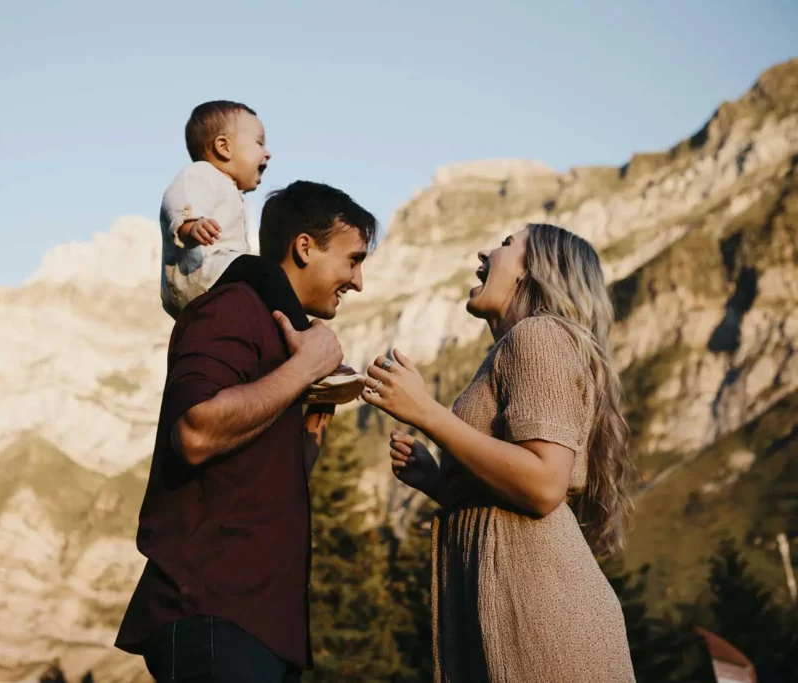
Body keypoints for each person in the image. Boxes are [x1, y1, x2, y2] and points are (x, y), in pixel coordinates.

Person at [116, 180, 379, 682]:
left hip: (263, 626)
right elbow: (194, 432)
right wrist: (304, 371)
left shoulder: (285, 344)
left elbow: (251, 478)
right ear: (304, 246)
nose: (359, 281)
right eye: (353, 260)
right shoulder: (232, 307)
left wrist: (309, 434)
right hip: (215, 615)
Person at [362, 223, 636, 682]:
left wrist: (428, 413)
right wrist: (440, 482)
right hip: (514, 606)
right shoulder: (515, 348)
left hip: (545, 620)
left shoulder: (540, 336)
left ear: (532, 271)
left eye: (507, 245)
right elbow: (513, 492)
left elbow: (545, 484)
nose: (484, 250)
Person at [159, 100, 361, 403]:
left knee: (261, 294)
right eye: (259, 142)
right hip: (203, 272)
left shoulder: (230, 191)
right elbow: (176, 202)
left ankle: (288, 367)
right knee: (267, 273)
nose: (267, 153)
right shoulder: (200, 174)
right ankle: (306, 344)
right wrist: (191, 225)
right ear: (223, 147)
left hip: (214, 273)